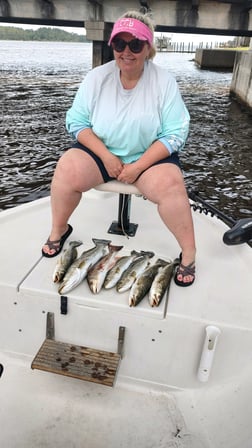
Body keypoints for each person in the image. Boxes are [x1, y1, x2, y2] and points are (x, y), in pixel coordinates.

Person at [42, 10, 196, 287]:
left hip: (148, 158)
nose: (127, 52)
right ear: (112, 45)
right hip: (102, 153)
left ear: (148, 48)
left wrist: (137, 166)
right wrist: (107, 157)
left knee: (172, 185)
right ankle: (59, 230)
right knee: (67, 166)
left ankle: (189, 253)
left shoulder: (164, 82)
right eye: (119, 44)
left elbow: (175, 133)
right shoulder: (96, 78)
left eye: (135, 44)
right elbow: (76, 122)